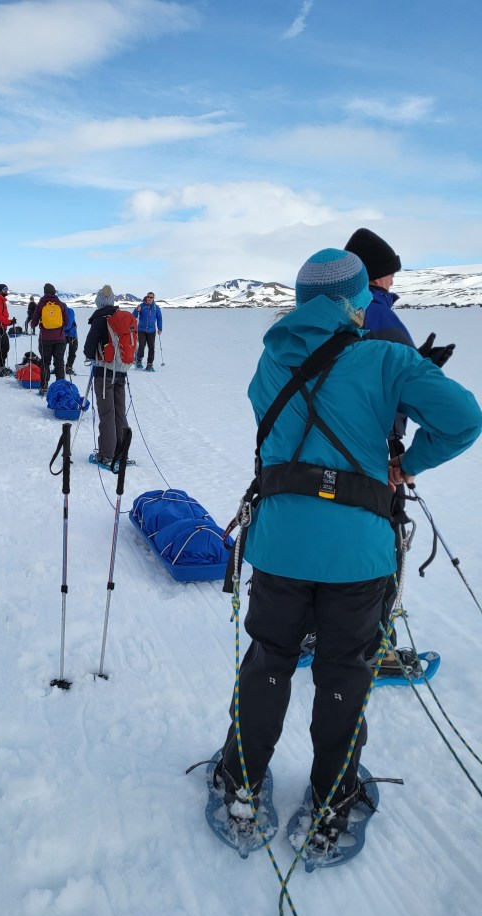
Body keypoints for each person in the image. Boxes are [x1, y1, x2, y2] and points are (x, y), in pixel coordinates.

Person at [214, 248, 481, 852]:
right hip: (359, 555)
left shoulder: (269, 361)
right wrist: (404, 467)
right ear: (353, 302)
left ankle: (241, 783)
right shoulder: (385, 358)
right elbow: (464, 419)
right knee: (345, 671)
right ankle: (333, 797)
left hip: (280, 545)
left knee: (268, 662)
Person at [343, 227, 456, 673]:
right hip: (376, 448)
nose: (394, 281)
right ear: (376, 274)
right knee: (381, 544)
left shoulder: (340, 310)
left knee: (336, 536)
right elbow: (402, 383)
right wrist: (424, 368)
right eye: (390, 273)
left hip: (331, 443)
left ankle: (321, 630)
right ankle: (376, 648)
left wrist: (418, 359)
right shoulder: (380, 313)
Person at [83, 285, 131, 466]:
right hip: (121, 372)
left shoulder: (100, 319)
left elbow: (88, 349)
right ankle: (121, 453)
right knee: (120, 412)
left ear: (99, 302)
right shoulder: (120, 318)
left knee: (107, 413)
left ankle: (106, 455)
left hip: (104, 374)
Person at [31, 283, 69, 396]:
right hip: (60, 339)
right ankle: (60, 389)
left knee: (45, 363)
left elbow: (33, 323)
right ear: (54, 292)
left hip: (45, 339)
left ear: (44, 292)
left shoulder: (40, 305)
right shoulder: (62, 305)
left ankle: (44, 388)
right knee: (59, 363)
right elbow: (67, 323)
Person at [132, 290, 163, 370]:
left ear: (153, 298)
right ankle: (138, 360)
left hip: (152, 331)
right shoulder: (141, 306)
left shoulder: (156, 308)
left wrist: (160, 328)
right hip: (141, 330)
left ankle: (149, 364)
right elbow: (133, 316)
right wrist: (136, 310)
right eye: (148, 297)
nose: (149, 298)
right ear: (146, 297)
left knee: (151, 347)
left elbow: (159, 318)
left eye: (151, 297)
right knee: (142, 346)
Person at [0, 283, 15, 376]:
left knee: (5, 347)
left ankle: (2, 366)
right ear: (0, 290)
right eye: (5, 289)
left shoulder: (2, 301)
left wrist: (10, 322)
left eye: (7, 288)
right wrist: (9, 322)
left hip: (3, 327)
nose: (6, 290)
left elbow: (3, 315)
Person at [64, 305, 78, 374]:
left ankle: (68, 367)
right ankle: (66, 367)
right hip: (70, 335)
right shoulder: (69, 310)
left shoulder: (70, 311)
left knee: (71, 352)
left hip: (71, 335)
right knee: (59, 353)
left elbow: (68, 325)